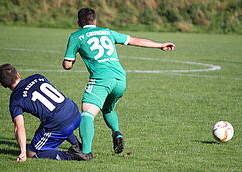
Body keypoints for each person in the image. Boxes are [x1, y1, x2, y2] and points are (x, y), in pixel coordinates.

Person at [62, 8, 175, 159]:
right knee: (108, 108)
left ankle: (86, 152)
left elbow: (67, 64)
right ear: (95, 21)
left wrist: (70, 60)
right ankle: (116, 132)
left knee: (87, 114)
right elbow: (135, 40)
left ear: (78, 22)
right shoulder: (107, 32)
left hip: (102, 81)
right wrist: (160, 45)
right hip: (120, 80)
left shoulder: (76, 36)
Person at [0, 64, 89, 161]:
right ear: (18, 75)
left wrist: (23, 152)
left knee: (31, 152)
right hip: (74, 112)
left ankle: (72, 155)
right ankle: (77, 145)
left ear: (3, 85)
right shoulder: (37, 77)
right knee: (54, 122)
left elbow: (19, 127)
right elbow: (50, 107)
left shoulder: (16, 100)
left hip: (61, 124)